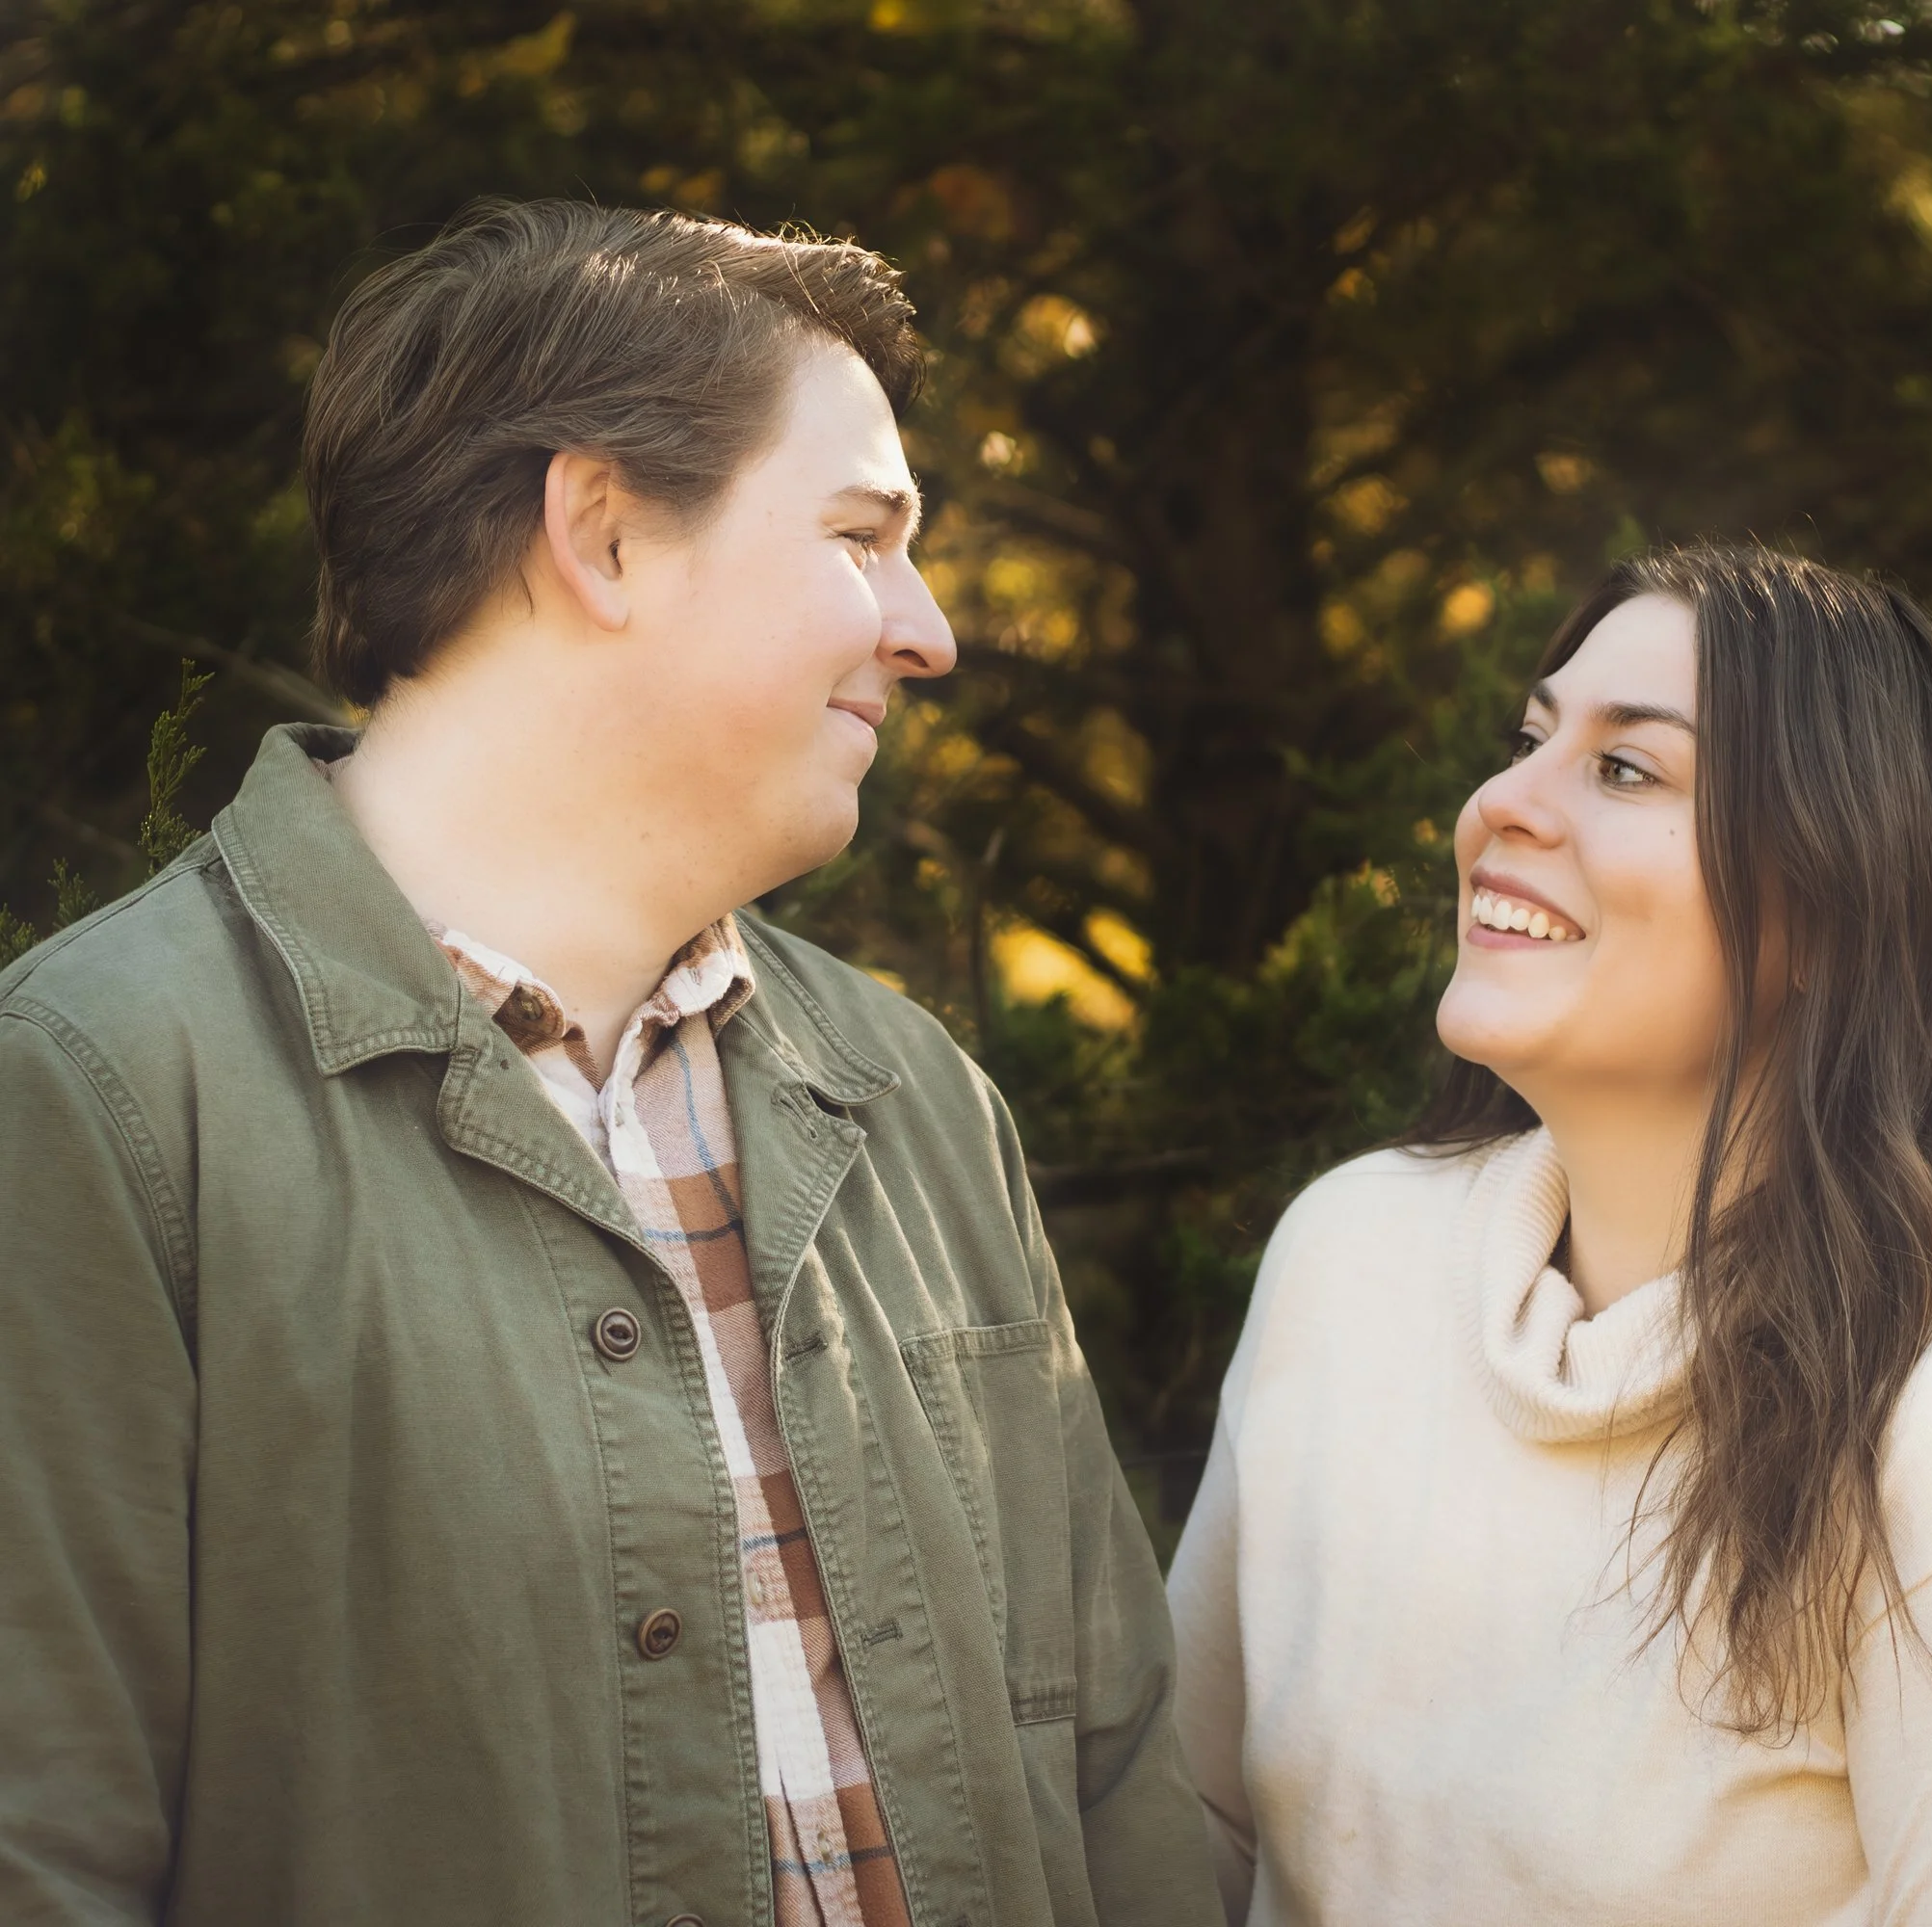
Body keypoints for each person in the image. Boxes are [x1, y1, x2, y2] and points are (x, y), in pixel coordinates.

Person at [0, 200, 1220, 1927]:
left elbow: (1119, 1792)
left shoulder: (919, 1100)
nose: (931, 628)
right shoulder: (95, 1093)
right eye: (865, 535)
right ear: (606, 534)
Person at [1168, 544, 1932, 1925]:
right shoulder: (1349, 1261)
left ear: (1838, 909)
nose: (1498, 807)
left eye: (1625, 771)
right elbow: (1187, 1841)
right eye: (1530, 740)